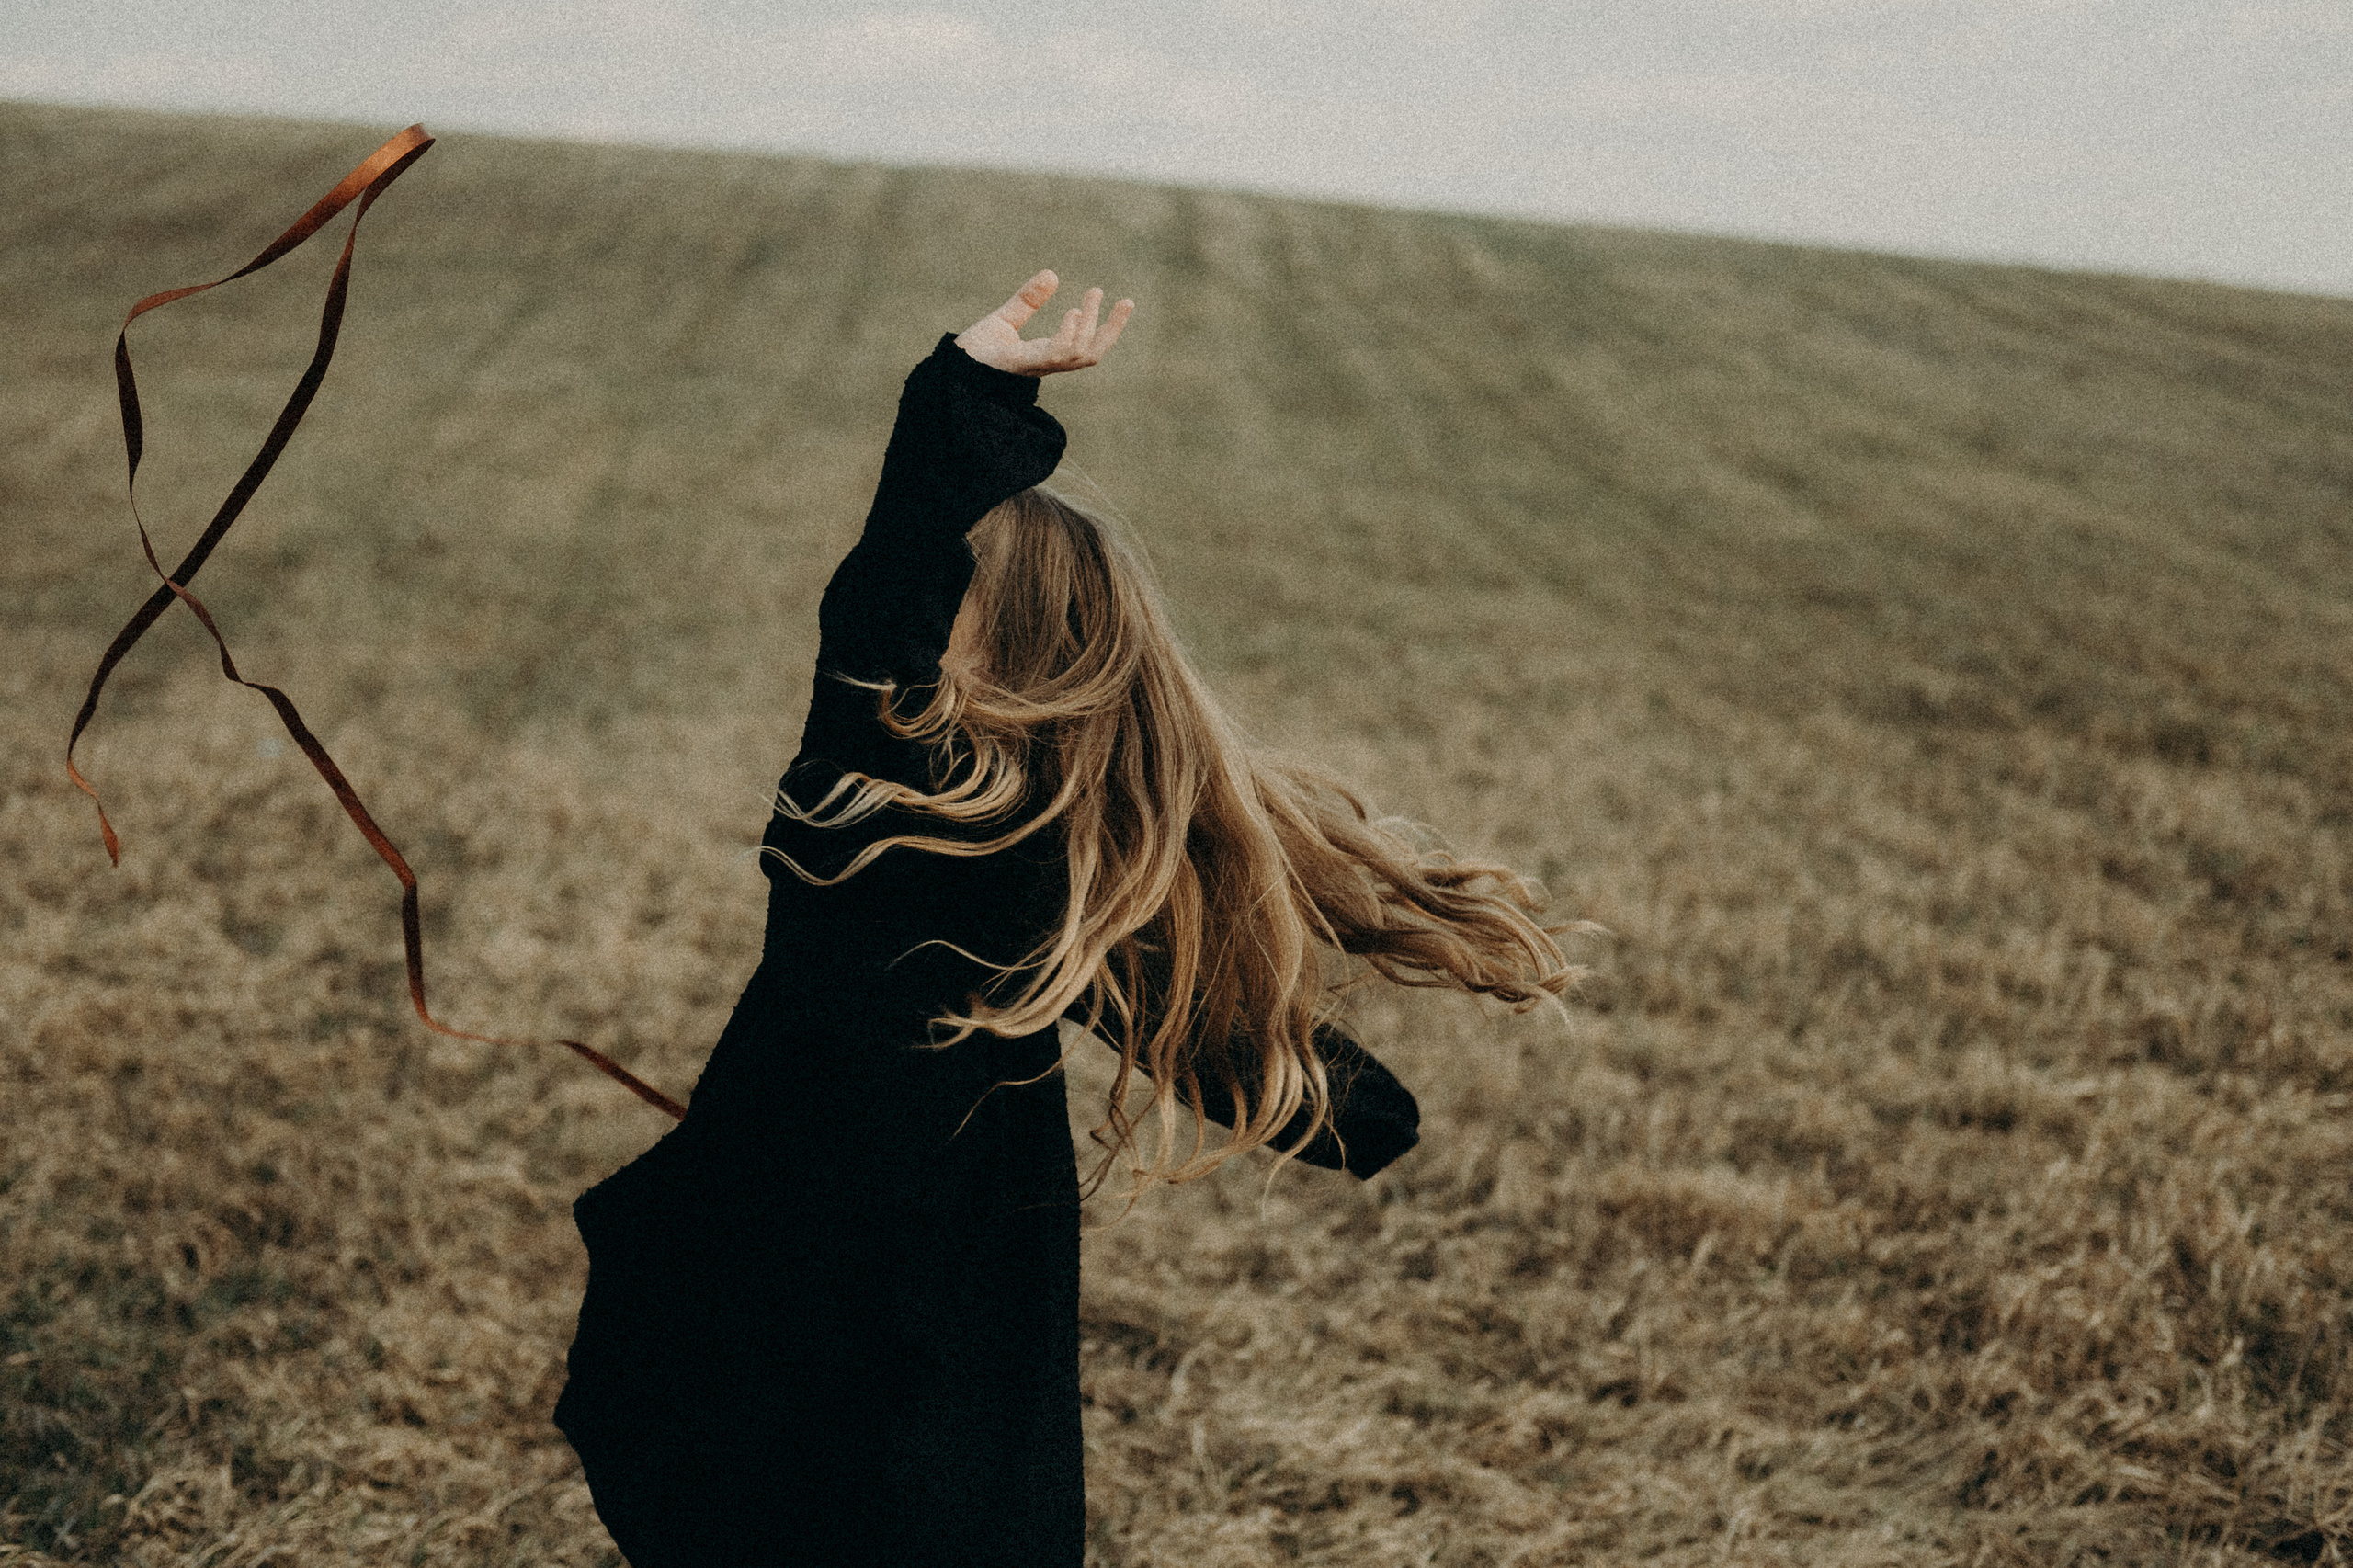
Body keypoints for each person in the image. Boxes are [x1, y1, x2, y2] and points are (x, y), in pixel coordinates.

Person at [551, 272, 1577, 1567]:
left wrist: (1334, 1098)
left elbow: (1188, 1024)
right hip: (838, 1308)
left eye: (947, 607)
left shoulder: (958, 844)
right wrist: (960, 402)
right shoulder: (917, 814)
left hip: (887, 1327)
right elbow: (880, 598)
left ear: (1004, 653)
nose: (909, 628)